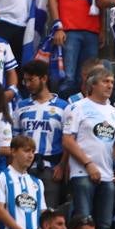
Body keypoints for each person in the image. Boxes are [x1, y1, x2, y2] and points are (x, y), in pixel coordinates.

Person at [60, 67, 115, 229]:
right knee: (83, 222)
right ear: (92, 84)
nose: (110, 85)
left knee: (105, 225)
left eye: (111, 82)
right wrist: (88, 164)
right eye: (105, 81)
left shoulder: (113, 111)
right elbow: (67, 140)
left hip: (107, 174)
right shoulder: (77, 107)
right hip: (82, 173)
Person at [13, 59, 70, 214]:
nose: (27, 84)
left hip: (51, 169)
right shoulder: (21, 106)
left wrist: (62, 166)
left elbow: (68, 141)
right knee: (24, 211)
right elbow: (15, 139)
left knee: (48, 215)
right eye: (25, 80)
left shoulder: (63, 107)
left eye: (31, 79)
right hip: (24, 169)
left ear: (44, 78)